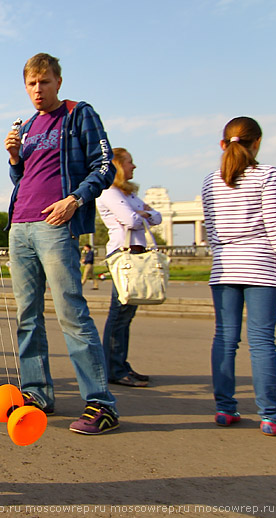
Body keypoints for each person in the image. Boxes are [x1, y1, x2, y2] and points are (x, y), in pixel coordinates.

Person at [3, 52, 118, 435]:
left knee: (71, 313)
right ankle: (37, 393)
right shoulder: (29, 124)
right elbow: (23, 177)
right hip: (20, 225)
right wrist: (14, 158)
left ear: (58, 82)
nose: (38, 89)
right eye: (32, 84)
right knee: (27, 316)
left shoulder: (78, 114)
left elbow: (105, 167)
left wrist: (75, 199)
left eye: (45, 81)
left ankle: (100, 403)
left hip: (56, 225)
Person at [201, 116, 276, 436]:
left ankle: (225, 409)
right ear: (257, 143)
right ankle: (270, 416)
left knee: (225, 339)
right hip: (261, 267)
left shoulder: (210, 181)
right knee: (261, 342)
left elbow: (212, 231)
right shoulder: (267, 174)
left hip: (224, 267)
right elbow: (275, 223)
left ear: (223, 144)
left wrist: (227, 253)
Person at [97, 148, 162, 388]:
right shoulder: (109, 192)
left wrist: (141, 214)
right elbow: (132, 221)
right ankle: (114, 368)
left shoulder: (128, 195)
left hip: (137, 254)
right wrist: (142, 214)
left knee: (127, 313)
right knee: (120, 313)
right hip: (123, 256)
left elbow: (158, 217)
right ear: (117, 166)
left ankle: (120, 364)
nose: (134, 167)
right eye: (130, 163)